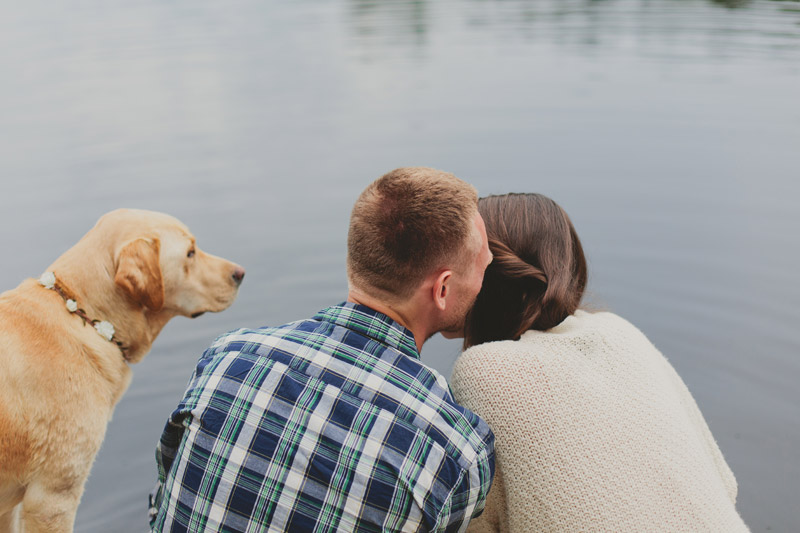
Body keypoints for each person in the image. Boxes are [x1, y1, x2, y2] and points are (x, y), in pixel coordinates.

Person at [148, 167, 495, 532]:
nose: (488, 270)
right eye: (483, 263)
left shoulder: (226, 359)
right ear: (442, 289)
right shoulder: (452, 450)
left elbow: (163, 501)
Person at [450, 193, 749, 533]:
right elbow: (725, 484)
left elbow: (469, 520)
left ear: (487, 273)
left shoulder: (484, 370)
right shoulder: (619, 330)